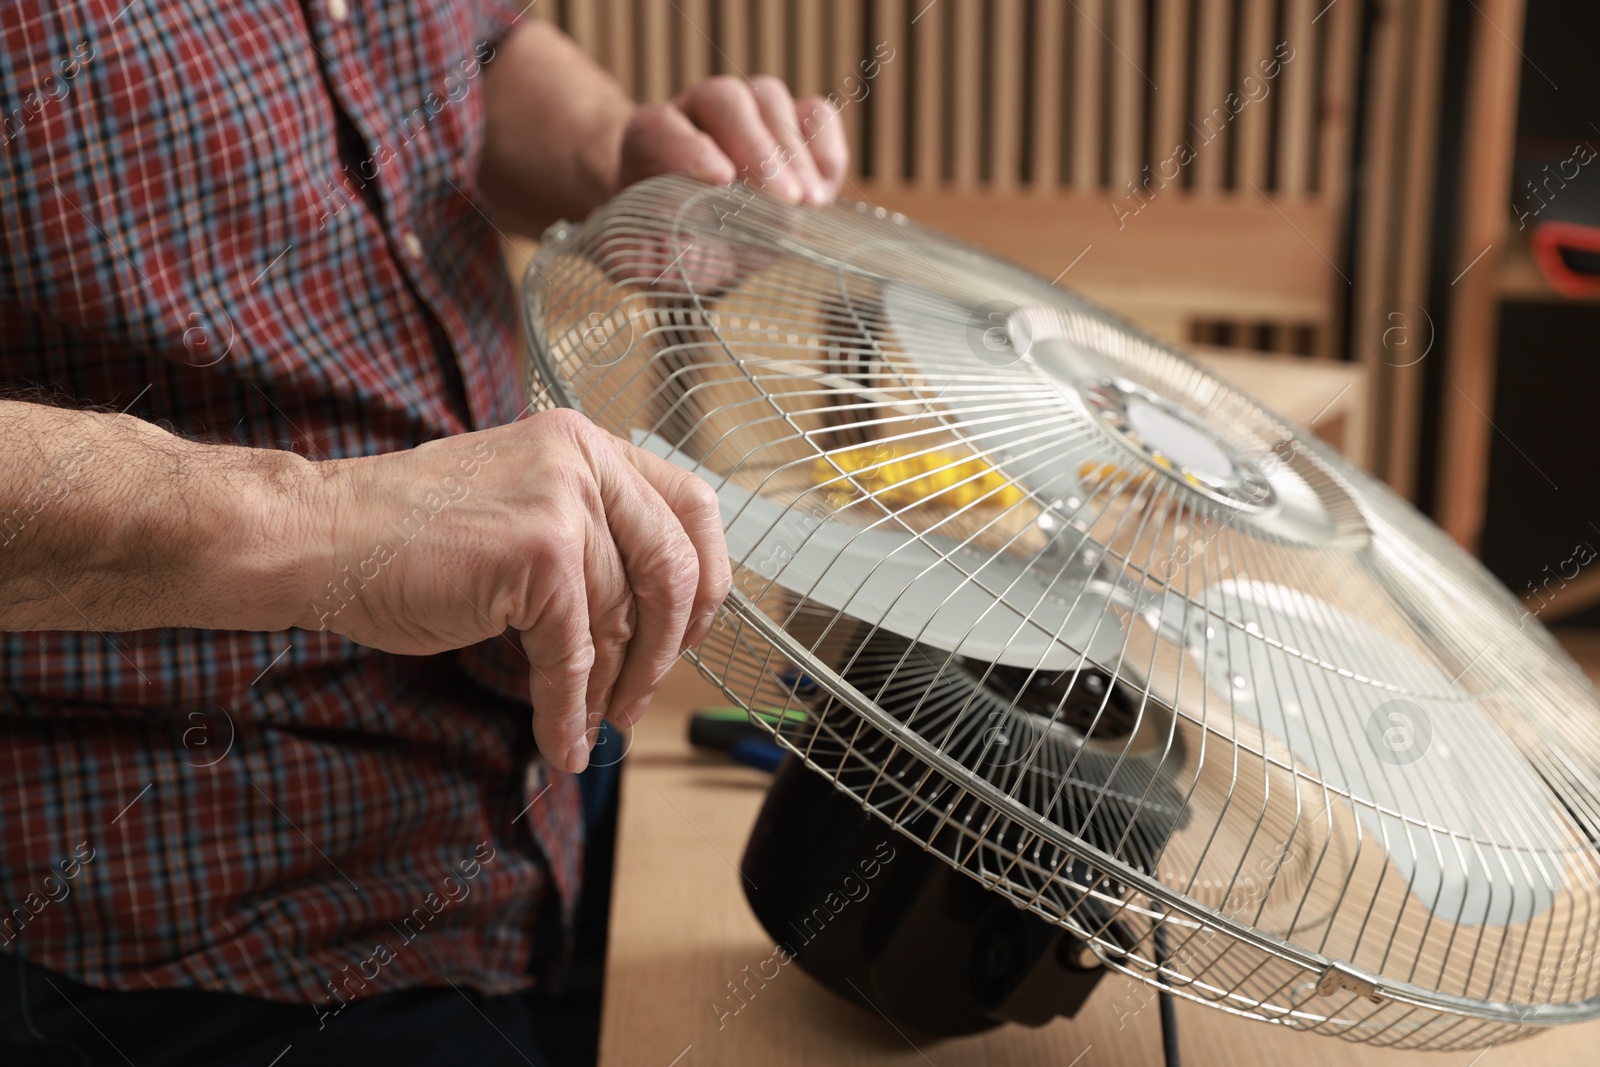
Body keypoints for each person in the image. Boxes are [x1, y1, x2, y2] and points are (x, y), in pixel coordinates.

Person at [0, 4, 847, 1064]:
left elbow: (469, 49)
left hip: (527, 752)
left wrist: (627, 163)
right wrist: (325, 519)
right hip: (181, 891)